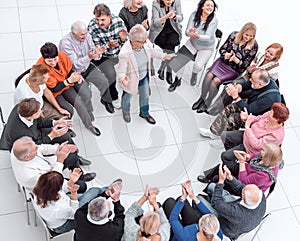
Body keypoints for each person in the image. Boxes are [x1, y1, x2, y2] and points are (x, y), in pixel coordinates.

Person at [198, 103, 289, 183]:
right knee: (224, 136)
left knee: (225, 156)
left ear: (277, 120)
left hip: (250, 149)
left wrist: (248, 127)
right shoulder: (268, 116)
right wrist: (248, 118)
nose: (269, 113)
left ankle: (231, 170)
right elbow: (258, 118)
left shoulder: (276, 135)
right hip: (246, 136)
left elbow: (256, 144)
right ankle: (232, 161)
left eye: (271, 113)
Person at [0, 98, 94, 168]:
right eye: (38, 112)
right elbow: (36, 146)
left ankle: (76, 157)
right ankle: (74, 164)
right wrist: (52, 136)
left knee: (65, 135)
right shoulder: (21, 135)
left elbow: (39, 121)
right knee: (65, 154)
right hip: (31, 145)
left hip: (35, 132)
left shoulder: (20, 108)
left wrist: (55, 122)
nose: (41, 112)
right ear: (30, 116)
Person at [36, 42, 101, 136]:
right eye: (50, 61)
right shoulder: (41, 67)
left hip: (65, 85)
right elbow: (53, 89)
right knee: (68, 110)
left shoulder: (62, 55)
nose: (53, 63)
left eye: (55, 59)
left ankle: (89, 125)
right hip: (54, 93)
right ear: (43, 58)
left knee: (78, 103)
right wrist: (69, 80)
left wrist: (75, 76)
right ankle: (65, 128)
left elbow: (69, 70)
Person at [192, 22, 258, 113]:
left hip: (234, 69)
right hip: (222, 62)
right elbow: (222, 49)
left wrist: (237, 60)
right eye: (246, 35)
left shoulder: (254, 46)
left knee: (216, 81)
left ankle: (208, 101)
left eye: (251, 36)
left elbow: (246, 65)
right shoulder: (234, 35)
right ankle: (202, 98)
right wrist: (225, 55)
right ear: (242, 32)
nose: (248, 38)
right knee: (208, 75)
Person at [199, 69, 281, 139]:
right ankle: (214, 132)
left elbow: (249, 110)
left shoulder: (269, 98)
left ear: (260, 84)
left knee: (233, 119)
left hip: (258, 117)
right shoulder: (260, 80)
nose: (250, 81)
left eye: (252, 80)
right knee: (229, 108)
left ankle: (225, 139)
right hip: (253, 103)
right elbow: (246, 85)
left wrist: (235, 96)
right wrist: (237, 88)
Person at [118, 24, 175, 124]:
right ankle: (126, 112)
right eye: (143, 41)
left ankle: (144, 113)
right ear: (134, 42)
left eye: (145, 39)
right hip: (130, 79)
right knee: (127, 97)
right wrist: (123, 78)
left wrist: (165, 56)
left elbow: (152, 52)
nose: (145, 42)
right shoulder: (124, 53)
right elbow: (121, 71)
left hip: (143, 76)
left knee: (145, 96)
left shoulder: (145, 43)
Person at [206, 42, 284, 115]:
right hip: (249, 79)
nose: (267, 54)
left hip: (258, 88)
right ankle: (216, 107)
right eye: (267, 51)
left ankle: (218, 108)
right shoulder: (260, 55)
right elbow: (248, 67)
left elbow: (264, 84)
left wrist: (237, 94)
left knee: (235, 92)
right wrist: (250, 70)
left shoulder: (275, 69)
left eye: (271, 54)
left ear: (275, 57)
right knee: (232, 86)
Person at [198, 164, 266, 240]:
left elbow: (216, 203)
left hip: (228, 226)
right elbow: (241, 188)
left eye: (243, 192)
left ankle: (199, 216)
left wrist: (221, 181)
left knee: (198, 199)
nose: (242, 188)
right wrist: (230, 178)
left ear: (243, 197)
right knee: (212, 186)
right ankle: (209, 198)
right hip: (241, 217)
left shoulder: (236, 213)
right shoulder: (260, 195)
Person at [59, 20, 115, 114]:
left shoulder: (87, 36)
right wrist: (89, 57)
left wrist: (97, 53)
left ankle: (106, 100)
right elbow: (75, 64)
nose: (85, 36)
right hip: (73, 71)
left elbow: (94, 53)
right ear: (73, 33)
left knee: (104, 81)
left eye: (86, 33)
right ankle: (88, 111)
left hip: (86, 66)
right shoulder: (65, 44)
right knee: (86, 94)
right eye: (82, 35)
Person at [32, 171, 107, 235]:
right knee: (94, 190)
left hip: (64, 205)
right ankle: (108, 191)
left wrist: (72, 180)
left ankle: (105, 194)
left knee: (89, 196)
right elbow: (75, 213)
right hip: (63, 225)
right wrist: (74, 193)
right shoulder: (59, 208)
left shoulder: (39, 190)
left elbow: (63, 189)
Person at [169, 0, 218, 92]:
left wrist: (197, 36)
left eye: (212, 6)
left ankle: (194, 74)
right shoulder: (194, 15)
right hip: (193, 43)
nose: (210, 7)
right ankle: (177, 80)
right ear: (202, 6)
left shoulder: (214, 20)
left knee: (198, 65)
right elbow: (187, 31)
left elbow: (208, 37)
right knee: (180, 60)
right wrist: (190, 33)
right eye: (208, 5)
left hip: (206, 47)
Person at [10, 136, 89, 192]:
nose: (38, 148)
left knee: (72, 155)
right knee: (82, 186)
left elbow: (43, 148)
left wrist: (59, 149)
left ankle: (79, 176)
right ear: (27, 157)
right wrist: (60, 160)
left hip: (48, 167)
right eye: (35, 149)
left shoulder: (18, 149)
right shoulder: (29, 176)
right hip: (47, 185)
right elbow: (52, 179)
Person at [88, 3, 128, 109]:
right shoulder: (92, 27)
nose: (99, 23)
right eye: (97, 19)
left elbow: (127, 41)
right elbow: (97, 48)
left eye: (102, 20)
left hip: (118, 53)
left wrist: (123, 40)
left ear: (109, 17)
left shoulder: (118, 22)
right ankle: (114, 97)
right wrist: (108, 45)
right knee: (111, 75)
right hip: (104, 56)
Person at [149, 0, 183, 86]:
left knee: (171, 43)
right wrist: (166, 16)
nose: (170, 1)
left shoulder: (177, 2)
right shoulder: (155, 4)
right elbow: (156, 23)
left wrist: (174, 16)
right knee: (169, 47)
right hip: (159, 31)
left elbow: (181, 18)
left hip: (173, 29)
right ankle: (168, 70)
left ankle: (165, 66)